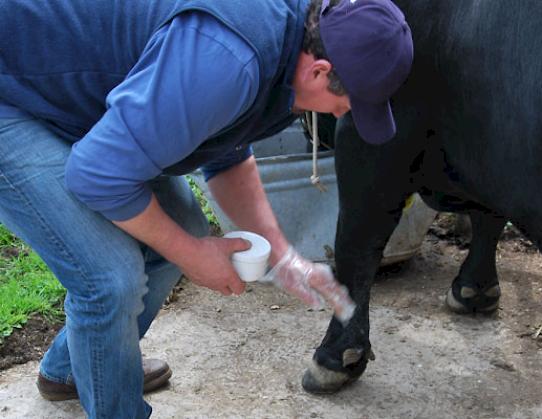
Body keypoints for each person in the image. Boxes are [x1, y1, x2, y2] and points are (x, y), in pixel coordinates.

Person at [0, 0, 413, 417]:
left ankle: (75, 369)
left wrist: (283, 256)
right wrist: (193, 255)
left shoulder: (291, 44)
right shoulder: (229, 58)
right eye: (353, 105)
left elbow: (229, 155)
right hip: (9, 94)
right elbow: (97, 175)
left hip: (61, 84)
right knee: (109, 278)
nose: (348, 115)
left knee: (175, 237)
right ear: (319, 71)